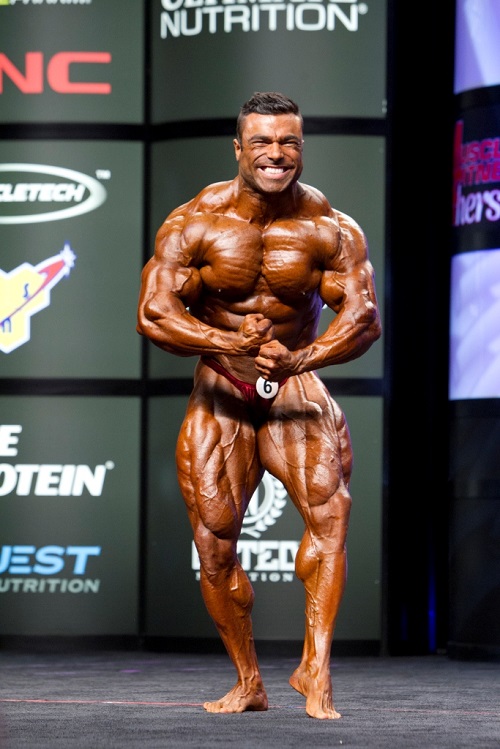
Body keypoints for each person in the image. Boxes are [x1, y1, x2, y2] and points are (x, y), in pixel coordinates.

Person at [137, 91, 381, 720]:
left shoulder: (330, 228)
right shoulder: (195, 222)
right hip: (222, 385)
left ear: (301, 147)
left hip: (293, 381)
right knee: (215, 542)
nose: (277, 153)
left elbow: (363, 319)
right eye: (263, 142)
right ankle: (248, 681)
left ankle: (315, 669)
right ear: (239, 148)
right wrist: (225, 341)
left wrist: (302, 359)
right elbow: (154, 313)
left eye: (289, 141)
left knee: (331, 517)